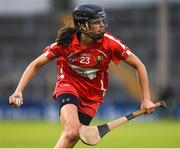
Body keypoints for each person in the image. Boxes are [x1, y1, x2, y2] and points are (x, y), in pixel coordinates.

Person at [9, 4, 155, 148]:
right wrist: (18, 90)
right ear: (83, 26)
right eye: (95, 23)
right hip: (68, 85)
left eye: (102, 21)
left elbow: (139, 65)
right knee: (72, 131)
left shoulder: (110, 44)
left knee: (72, 137)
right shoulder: (66, 43)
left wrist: (146, 98)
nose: (101, 26)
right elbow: (35, 64)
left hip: (93, 96)